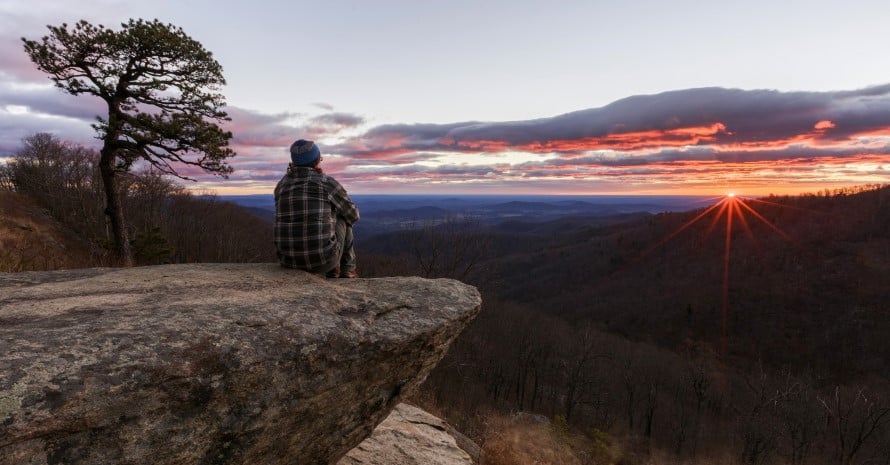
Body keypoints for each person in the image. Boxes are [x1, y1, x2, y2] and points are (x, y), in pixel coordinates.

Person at [274, 139, 360, 278]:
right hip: (322, 262)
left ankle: (337, 270)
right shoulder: (326, 182)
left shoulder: (281, 185)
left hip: (287, 260)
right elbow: (353, 215)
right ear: (316, 160)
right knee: (343, 217)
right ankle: (347, 271)